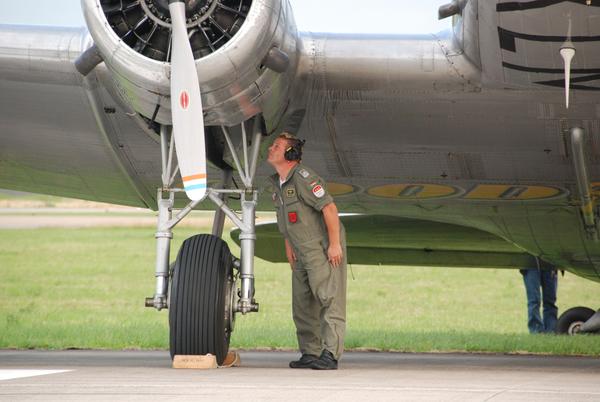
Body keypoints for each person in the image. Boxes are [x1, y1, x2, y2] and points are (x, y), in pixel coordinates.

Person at [267, 132, 347, 370]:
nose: (271, 149)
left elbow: (329, 209)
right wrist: (289, 246)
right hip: (299, 249)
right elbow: (288, 220)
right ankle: (310, 352)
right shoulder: (278, 183)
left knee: (328, 297)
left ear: (290, 154)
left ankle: (330, 354)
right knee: (302, 303)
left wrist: (334, 245)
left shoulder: (303, 178)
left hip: (319, 247)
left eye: (277, 146)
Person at [519, 266, 558, 333]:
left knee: (550, 301)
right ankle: (536, 330)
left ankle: (551, 329)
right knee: (534, 301)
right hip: (530, 263)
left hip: (550, 265)